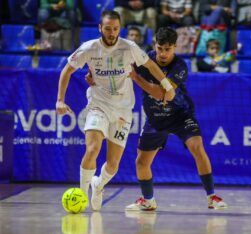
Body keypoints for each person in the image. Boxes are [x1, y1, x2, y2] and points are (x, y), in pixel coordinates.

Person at [55, 10, 175, 211]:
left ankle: (98, 185)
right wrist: (60, 100)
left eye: (116, 29)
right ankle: (82, 195)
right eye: (108, 28)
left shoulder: (129, 47)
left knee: (113, 164)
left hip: (122, 110)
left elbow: (150, 64)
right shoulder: (89, 48)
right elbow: (67, 69)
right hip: (98, 104)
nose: (112, 33)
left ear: (120, 29)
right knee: (92, 149)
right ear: (100, 28)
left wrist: (166, 84)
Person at [125, 27, 228, 210]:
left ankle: (212, 197)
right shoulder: (144, 59)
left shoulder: (180, 66)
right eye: (160, 48)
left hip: (181, 115)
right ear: (154, 45)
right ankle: (148, 200)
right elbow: (120, 68)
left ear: (175, 47)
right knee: (141, 162)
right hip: (156, 119)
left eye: (168, 49)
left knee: (197, 146)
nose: (163, 53)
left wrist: (136, 78)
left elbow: (162, 94)